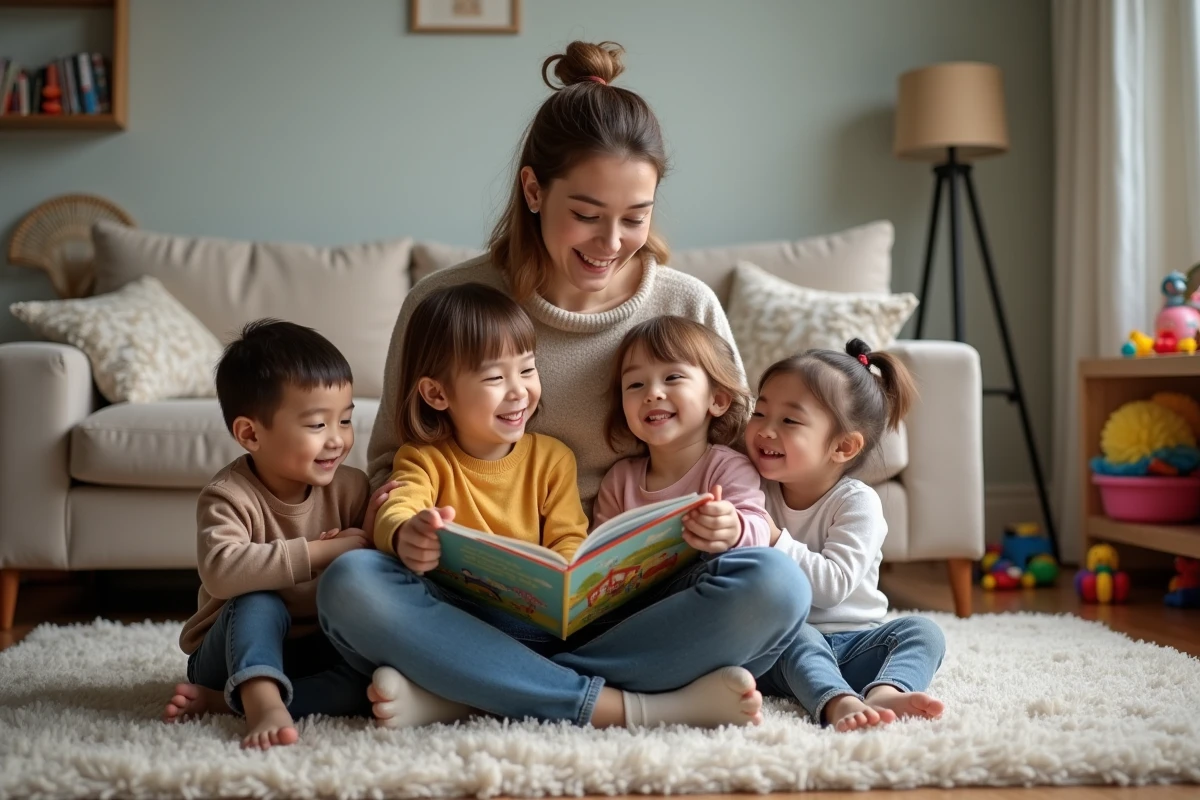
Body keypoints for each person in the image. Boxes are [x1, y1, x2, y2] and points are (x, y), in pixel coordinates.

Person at [318, 40, 807, 730]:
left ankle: (472, 688)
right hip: (473, 601)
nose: (611, 241)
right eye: (587, 214)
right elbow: (387, 470)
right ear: (533, 190)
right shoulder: (447, 302)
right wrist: (411, 535)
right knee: (352, 587)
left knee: (774, 586)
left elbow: (741, 468)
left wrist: (718, 530)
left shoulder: (686, 305)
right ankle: (621, 706)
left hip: (639, 602)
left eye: (635, 217)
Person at [162, 320, 395, 749]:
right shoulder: (228, 496)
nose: (338, 440)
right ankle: (260, 698)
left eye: (344, 420)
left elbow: (370, 564)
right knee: (257, 597)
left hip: (314, 650)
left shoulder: (352, 487)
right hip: (231, 650)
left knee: (370, 685)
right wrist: (324, 549)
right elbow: (222, 571)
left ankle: (229, 702)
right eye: (316, 426)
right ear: (251, 433)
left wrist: (374, 532)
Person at [748, 339, 947, 731]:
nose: (765, 431)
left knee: (923, 631)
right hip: (788, 650)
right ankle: (836, 702)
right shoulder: (752, 487)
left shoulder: (857, 503)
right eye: (760, 412)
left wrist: (773, 538)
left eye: (789, 421)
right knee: (793, 633)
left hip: (856, 645)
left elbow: (833, 586)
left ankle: (886, 690)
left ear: (842, 446)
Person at [593, 316, 771, 555]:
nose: (653, 393)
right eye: (635, 384)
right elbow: (598, 557)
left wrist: (735, 528)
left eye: (672, 378)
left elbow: (760, 530)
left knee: (774, 573)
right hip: (641, 591)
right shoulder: (619, 481)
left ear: (717, 400)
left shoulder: (728, 467)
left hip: (711, 576)